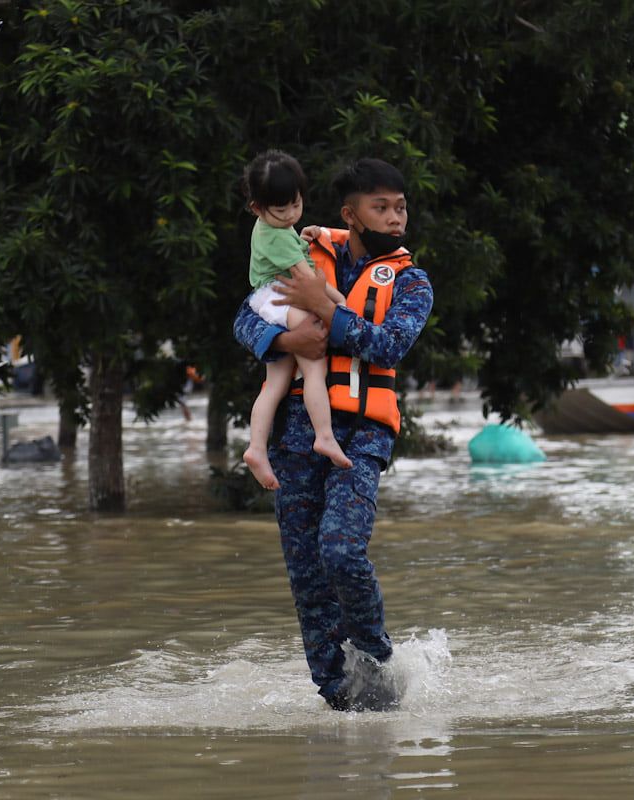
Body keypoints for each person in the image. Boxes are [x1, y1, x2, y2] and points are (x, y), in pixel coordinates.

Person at [232, 158, 433, 711]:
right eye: (381, 207)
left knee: (341, 551)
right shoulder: (301, 252)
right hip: (295, 438)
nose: (395, 218)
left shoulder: (412, 282)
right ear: (351, 214)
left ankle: (377, 663)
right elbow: (245, 320)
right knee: (307, 578)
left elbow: (388, 345)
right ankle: (339, 705)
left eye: (401, 207)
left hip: (361, 437)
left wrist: (324, 308)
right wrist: (284, 342)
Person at [240, 150, 351, 491]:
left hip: (268, 298)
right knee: (315, 366)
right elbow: (308, 281)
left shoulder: (272, 228)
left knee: (275, 383)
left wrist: (301, 238)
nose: (290, 214)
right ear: (257, 208)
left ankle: (256, 448)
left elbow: (286, 249)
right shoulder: (276, 234)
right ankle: (324, 435)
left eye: (296, 204)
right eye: (282, 209)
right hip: (280, 297)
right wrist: (339, 301)